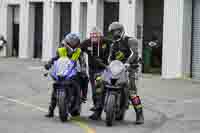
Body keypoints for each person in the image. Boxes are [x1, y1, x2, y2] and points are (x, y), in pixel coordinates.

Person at [108, 22, 144, 124]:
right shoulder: (113, 44)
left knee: (132, 92)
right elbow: (110, 57)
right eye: (112, 32)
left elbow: (135, 53)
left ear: (120, 30)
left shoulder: (131, 40)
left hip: (131, 69)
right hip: (118, 69)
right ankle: (110, 108)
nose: (114, 34)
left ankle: (139, 114)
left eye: (115, 31)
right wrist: (109, 64)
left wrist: (128, 63)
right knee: (106, 83)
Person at [45, 33, 88, 117]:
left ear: (77, 43)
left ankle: (83, 97)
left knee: (84, 78)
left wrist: (83, 69)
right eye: (70, 42)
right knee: (55, 88)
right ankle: (51, 110)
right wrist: (49, 63)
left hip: (72, 72)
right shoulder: (61, 49)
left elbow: (82, 61)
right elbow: (55, 58)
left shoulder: (79, 51)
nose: (72, 44)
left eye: (74, 42)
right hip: (61, 71)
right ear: (66, 42)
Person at [80, 27, 112, 120]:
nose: (94, 36)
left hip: (105, 69)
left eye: (96, 35)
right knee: (95, 91)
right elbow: (78, 50)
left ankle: (106, 107)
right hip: (92, 70)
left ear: (100, 35)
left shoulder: (106, 42)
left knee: (101, 89)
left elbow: (116, 45)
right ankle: (97, 111)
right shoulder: (87, 42)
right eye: (92, 35)